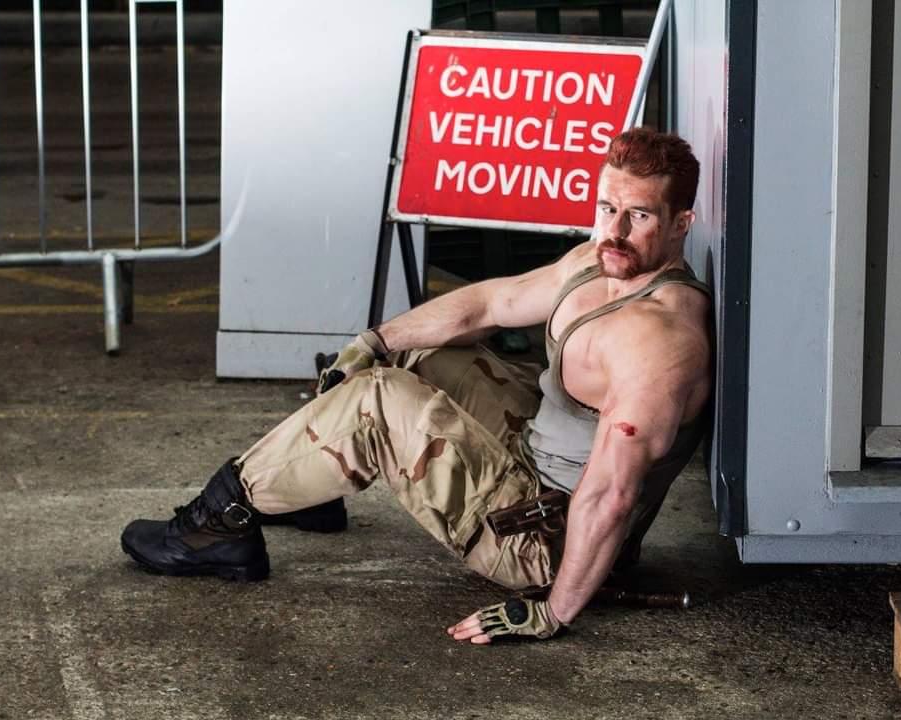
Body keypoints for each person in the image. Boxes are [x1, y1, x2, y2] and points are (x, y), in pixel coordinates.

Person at [121, 127, 713, 644]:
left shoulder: (659, 342)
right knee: (414, 351)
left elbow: (611, 495)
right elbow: (491, 302)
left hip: (546, 538)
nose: (614, 230)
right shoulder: (597, 260)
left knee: (376, 401)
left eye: (638, 216)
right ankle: (316, 489)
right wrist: (375, 340)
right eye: (606, 207)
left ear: (681, 223)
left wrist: (554, 610)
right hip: (537, 456)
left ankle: (216, 526)